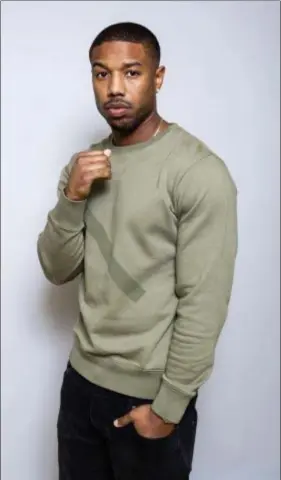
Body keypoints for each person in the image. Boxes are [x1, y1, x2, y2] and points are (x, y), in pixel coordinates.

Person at [37, 21, 238, 480]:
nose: (114, 88)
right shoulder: (84, 166)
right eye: (101, 74)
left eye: (131, 72)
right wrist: (72, 198)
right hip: (80, 386)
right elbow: (55, 268)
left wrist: (167, 409)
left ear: (158, 77)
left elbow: (204, 303)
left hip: (148, 398)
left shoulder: (198, 172)